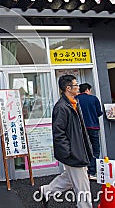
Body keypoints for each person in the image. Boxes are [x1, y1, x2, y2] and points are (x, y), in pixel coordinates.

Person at [40, 75, 93, 208]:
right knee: (83, 186)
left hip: (78, 150)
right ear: (68, 88)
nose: (78, 87)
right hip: (74, 152)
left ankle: (46, 191)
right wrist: (68, 152)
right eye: (76, 85)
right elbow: (59, 132)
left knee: (69, 178)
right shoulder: (62, 107)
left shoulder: (73, 103)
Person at [76, 83, 103, 180]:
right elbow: (99, 113)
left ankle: (84, 170)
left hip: (81, 128)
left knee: (83, 148)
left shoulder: (75, 99)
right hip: (93, 127)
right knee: (95, 149)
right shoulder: (94, 99)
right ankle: (92, 171)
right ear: (87, 89)